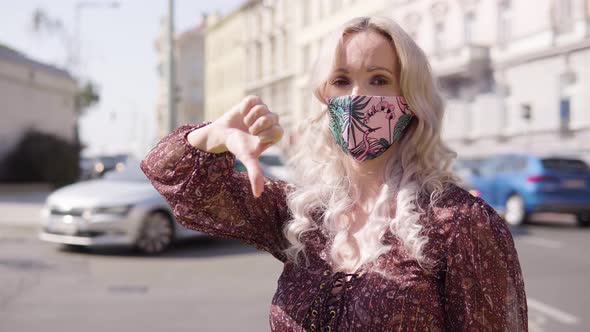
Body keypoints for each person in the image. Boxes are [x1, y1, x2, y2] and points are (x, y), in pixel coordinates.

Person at [141, 16, 528, 331]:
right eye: (342, 81)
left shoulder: (459, 224)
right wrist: (213, 136)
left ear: (410, 98)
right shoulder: (306, 215)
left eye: (378, 80)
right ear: (324, 98)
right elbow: (174, 178)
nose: (357, 98)